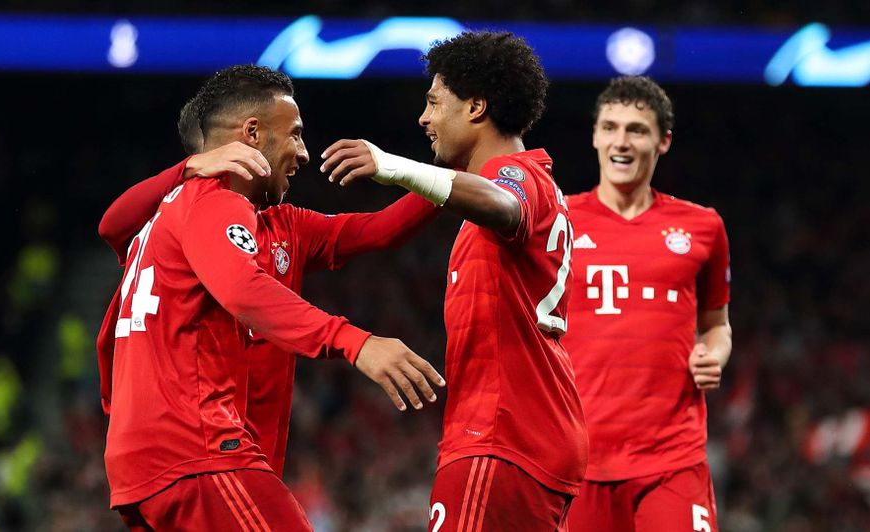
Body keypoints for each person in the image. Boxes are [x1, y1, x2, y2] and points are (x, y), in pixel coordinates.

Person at [95, 65, 444, 531]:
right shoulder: (210, 201)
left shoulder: (235, 220)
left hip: (154, 461)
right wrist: (355, 342)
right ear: (252, 134)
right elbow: (245, 290)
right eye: (295, 134)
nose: (303, 152)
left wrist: (448, 172)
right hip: (196, 448)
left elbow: (377, 230)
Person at [322, 31, 587, 531]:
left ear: (476, 107)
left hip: (503, 435)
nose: (423, 118)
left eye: (434, 102)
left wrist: (393, 165)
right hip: (529, 433)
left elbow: (503, 205)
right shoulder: (533, 181)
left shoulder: (516, 176)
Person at [561, 76, 732, 532]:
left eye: (637, 129)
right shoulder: (556, 222)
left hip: (673, 458)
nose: (621, 141)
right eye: (611, 127)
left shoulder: (703, 227)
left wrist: (713, 354)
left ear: (663, 141)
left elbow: (718, 323)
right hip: (577, 460)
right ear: (595, 135)